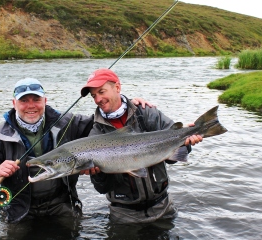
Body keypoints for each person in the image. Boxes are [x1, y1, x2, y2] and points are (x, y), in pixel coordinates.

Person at [0, 77, 150, 223]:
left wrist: (127, 105)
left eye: (36, 100)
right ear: (14, 103)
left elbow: (104, 122)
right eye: (23, 101)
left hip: (62, 206)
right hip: (20, 211)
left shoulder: (68, 122)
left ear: (45, 101)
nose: (31, 106)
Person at [80, 68, 203, 224]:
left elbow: (172, 159)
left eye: (102, 92)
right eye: (94, 95)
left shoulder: (146, 113)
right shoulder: (97, 133)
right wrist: (98, 174)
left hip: (163, 208)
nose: (98, 99)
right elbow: (102, 188)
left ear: (117, 87)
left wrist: (187, 143)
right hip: (123, 215)